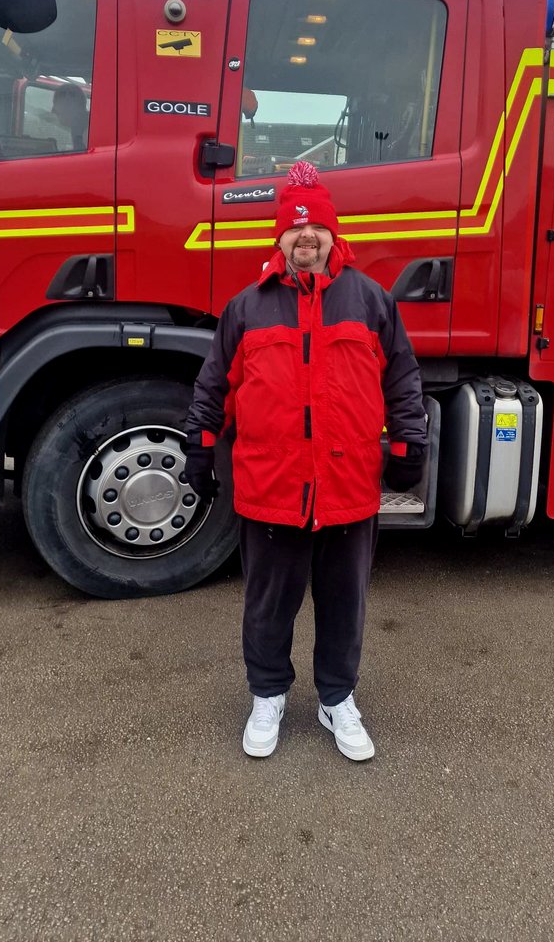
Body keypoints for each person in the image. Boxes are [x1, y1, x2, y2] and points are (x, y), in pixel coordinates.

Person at [183, 161, 427, 761]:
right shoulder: (248, 308)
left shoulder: (370, 300)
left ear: (331, 231)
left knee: (345, 601)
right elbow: (213, 386)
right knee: (269, 601)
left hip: (346, 485)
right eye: (294, 229)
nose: (306, 238)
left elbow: (402, 377)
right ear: (279, 237)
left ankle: (336, 698)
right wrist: (197, 445)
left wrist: (408, 441)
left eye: (315, 227)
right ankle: (268, 695)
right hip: (272, 486)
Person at [51, 83, 88, 149]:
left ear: (69, 105)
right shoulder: (78, 126)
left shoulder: (87, 133)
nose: (53, 110)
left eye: (56, 103)